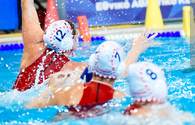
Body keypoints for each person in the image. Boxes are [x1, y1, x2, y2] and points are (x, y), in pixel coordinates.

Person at [12, 0, 87, 92]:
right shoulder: (74, 68)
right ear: (68, 42)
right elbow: (113, 74)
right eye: (76, 38)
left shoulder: (33, 45)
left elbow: (26, 3)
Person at [25, 30, 157, 109]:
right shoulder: (120, 98)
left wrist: (51, 88)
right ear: (119, 69)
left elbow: (28, 106)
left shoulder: (65, 92)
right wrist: (136, 50)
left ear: (92, 63)